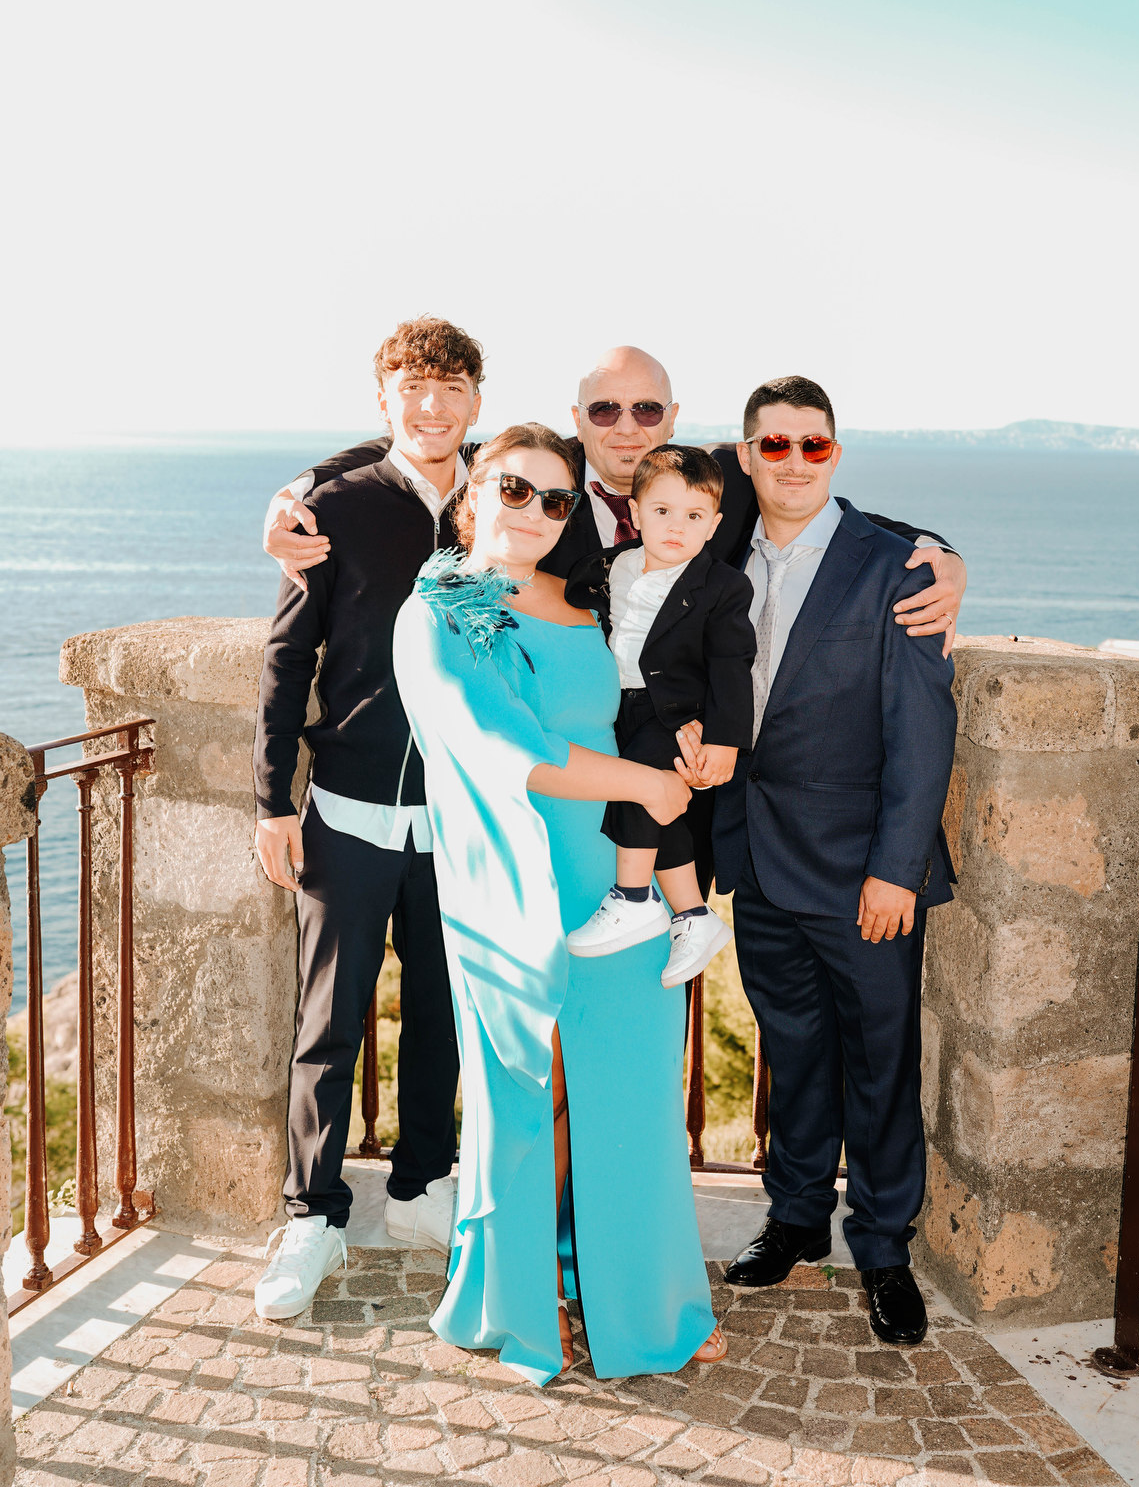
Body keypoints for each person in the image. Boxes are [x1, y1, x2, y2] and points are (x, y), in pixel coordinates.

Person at [260, 344, 969, 898]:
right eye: (604, 411)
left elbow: (815, 502)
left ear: (673, 417)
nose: (627, 428)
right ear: (578, 420)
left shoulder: (716, 479)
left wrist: (938, 551)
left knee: (657, 988)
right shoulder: (542, 483)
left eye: (646, 410)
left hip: (678, 803)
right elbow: (428, 443)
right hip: (560, 803)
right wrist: (300, 487)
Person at [394, 424, 724, 1384]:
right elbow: (511, 747)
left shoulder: (586, 597)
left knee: (626, 1091)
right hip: (515, 881)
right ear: (471, 493)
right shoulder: (435, 612)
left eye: (554, 499)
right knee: (528, 1093)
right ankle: (525, 1299)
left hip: (624, 881)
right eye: (513, 489)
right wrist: (646, 784)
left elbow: (638, 698)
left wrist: (684, 742)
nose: (534, 512)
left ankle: (641, 1302)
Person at [708, 376, 958, 1348]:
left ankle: (885, 1247)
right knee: (795, 1051)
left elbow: (922, 733)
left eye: (813, 445)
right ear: (747, 456)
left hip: (865, 879)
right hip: (761, 863)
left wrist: (897, 870)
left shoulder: (897, 567)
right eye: (774, 445)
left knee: (881, 1064)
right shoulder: (719, 556)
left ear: (835, 454)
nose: (795, 462)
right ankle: (798, 1218)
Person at [250, 316, 484, 1321]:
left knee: (441, 1013)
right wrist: (273, 799)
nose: (431, 408)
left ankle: (424, 1189)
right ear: (384, 398)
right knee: (329, 1024)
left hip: (460, 817)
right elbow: (287, 655)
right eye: (412, 389)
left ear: (477, 400)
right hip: (346, 811)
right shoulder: (335, 507)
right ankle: (314, 1215)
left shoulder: (500, 498)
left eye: (451, 389)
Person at [563, 444, 753, 987]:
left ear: (713, 525)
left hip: (676, 715)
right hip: (618, 708)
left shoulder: (722, 586)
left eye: (694, 516)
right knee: (655, 808)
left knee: (639, 784)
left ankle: (632, 896)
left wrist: (724, 741)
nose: (676, 526)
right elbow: (570, 595)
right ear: (636, 511)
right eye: (663, 511)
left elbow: (733, 665)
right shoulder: (610, 566)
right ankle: (693, 915)